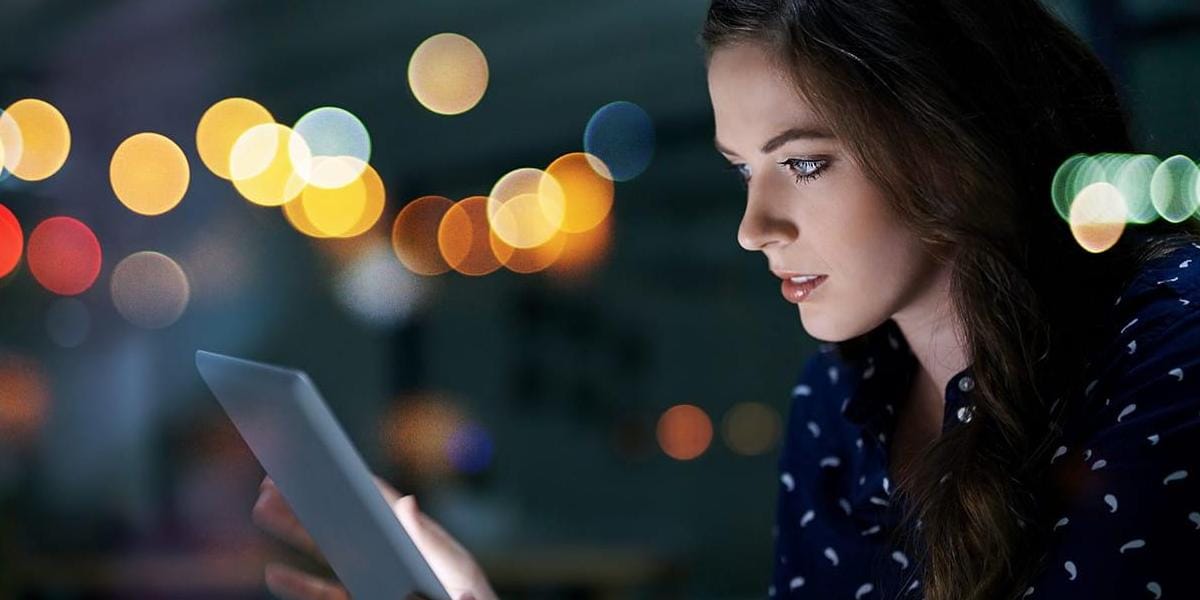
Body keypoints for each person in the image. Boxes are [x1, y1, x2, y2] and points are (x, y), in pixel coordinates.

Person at [253, 1, 1200, 598]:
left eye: (803, 163)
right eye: (743, 169)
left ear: (951, 146)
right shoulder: (837, 406)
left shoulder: (1169, 351)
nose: (755, 226)